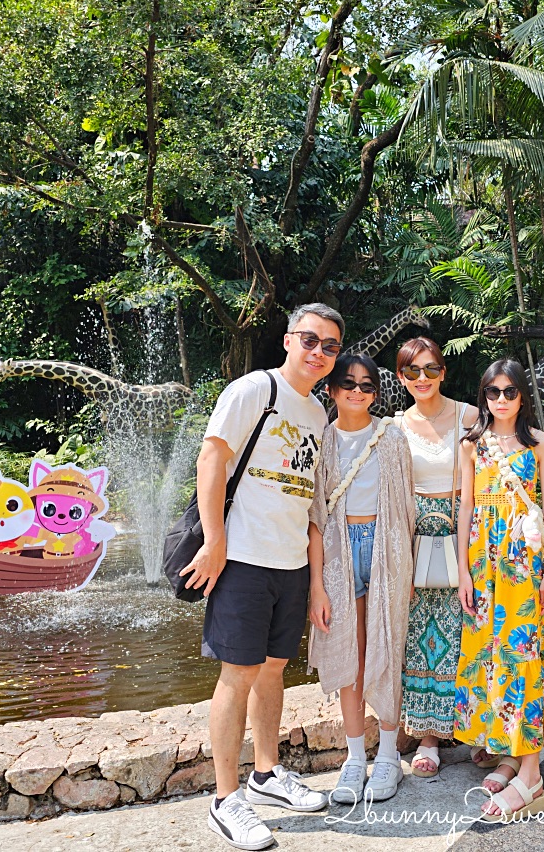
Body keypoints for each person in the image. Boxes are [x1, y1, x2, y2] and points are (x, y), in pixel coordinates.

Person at [181, 303, 343, 851]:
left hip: (291, 562)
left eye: (330, 346)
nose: (319, 352)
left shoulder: (319, 414)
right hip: (243, 559)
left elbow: (312, 499)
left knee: (273, 669)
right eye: (310, 340)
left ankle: (266, 773)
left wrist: (315, 579)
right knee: (238, 673)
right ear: (289, 340)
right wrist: (215, 544)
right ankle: (226, 801)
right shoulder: (255, 390)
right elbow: (212, 460)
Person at [455, 358, 544, 823]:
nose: (501, 400)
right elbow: (465, 506)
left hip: (522, 561)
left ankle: (531, 773)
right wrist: (462, 570)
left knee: (522, 655)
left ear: (523, 395)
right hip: (482, 562)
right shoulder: (471, 445)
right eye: (493, 392)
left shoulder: (540, 443)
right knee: (488, 653)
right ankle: (508, 754)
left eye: (510, 392)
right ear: (484, 396)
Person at [307, 354, 416, 804]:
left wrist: (407, 565)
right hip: (337, 551)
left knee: (385, 649)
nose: (357, 391)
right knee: (347, 654)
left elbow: (407, 508)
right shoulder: (321, 441)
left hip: (386, 547)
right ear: (331, 390)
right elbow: (313, 517)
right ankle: (355, 760)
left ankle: (388, 756)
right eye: (348, 384)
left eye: (367, 385)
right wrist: (316, 586)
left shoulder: (391, 438)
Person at [396, 337, 484, 777]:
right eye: (413, 371)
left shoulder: (470, 416)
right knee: (424, 634)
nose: (423, 379)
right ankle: (428, 734)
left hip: (464, 529)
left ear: (443, 372)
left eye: (431, 369)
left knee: (470, 628)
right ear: (401, 377)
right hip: (417, 536)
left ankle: (475, 731)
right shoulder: (395, 426)